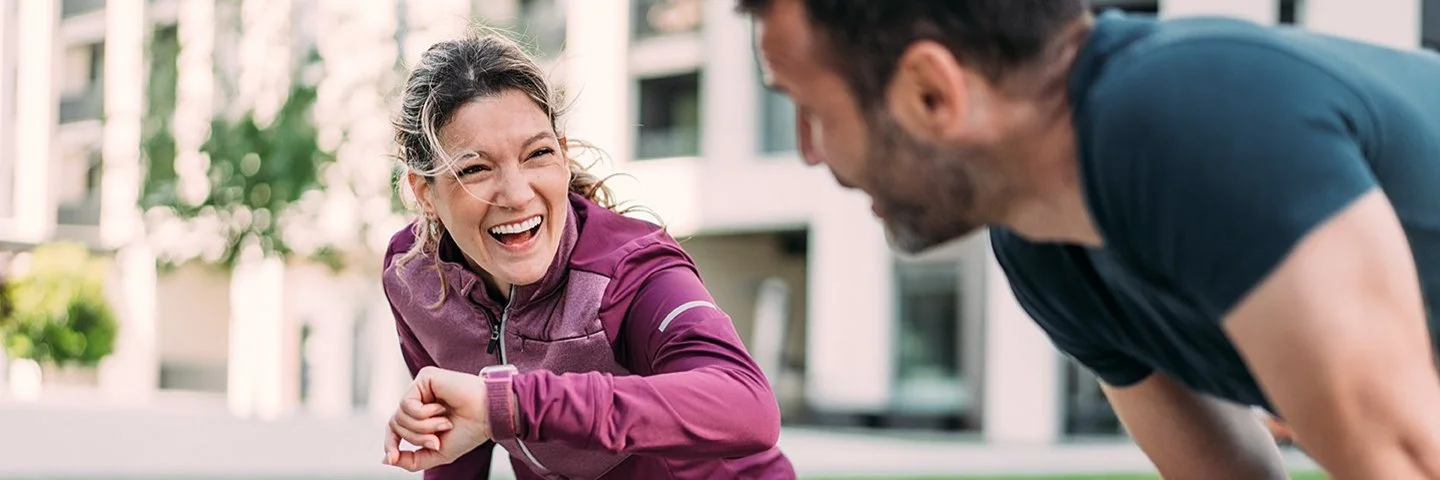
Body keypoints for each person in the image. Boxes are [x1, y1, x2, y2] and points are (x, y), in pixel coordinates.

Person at [738, 0, 1440, 478]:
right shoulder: (1043, 247)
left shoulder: (1190, 116)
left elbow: (1406, 461)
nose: (807, 151)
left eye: (809, 108)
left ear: (932, 94)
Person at [378, 33, 795, 479]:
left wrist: (512, 403)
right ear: (425, 192)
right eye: (475, 168)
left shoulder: (629, 270)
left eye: (537, 154)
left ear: (562, 153)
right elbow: (456, 443)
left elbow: (746, 404)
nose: (518, 195)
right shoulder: (413, 276)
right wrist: (472, 416)